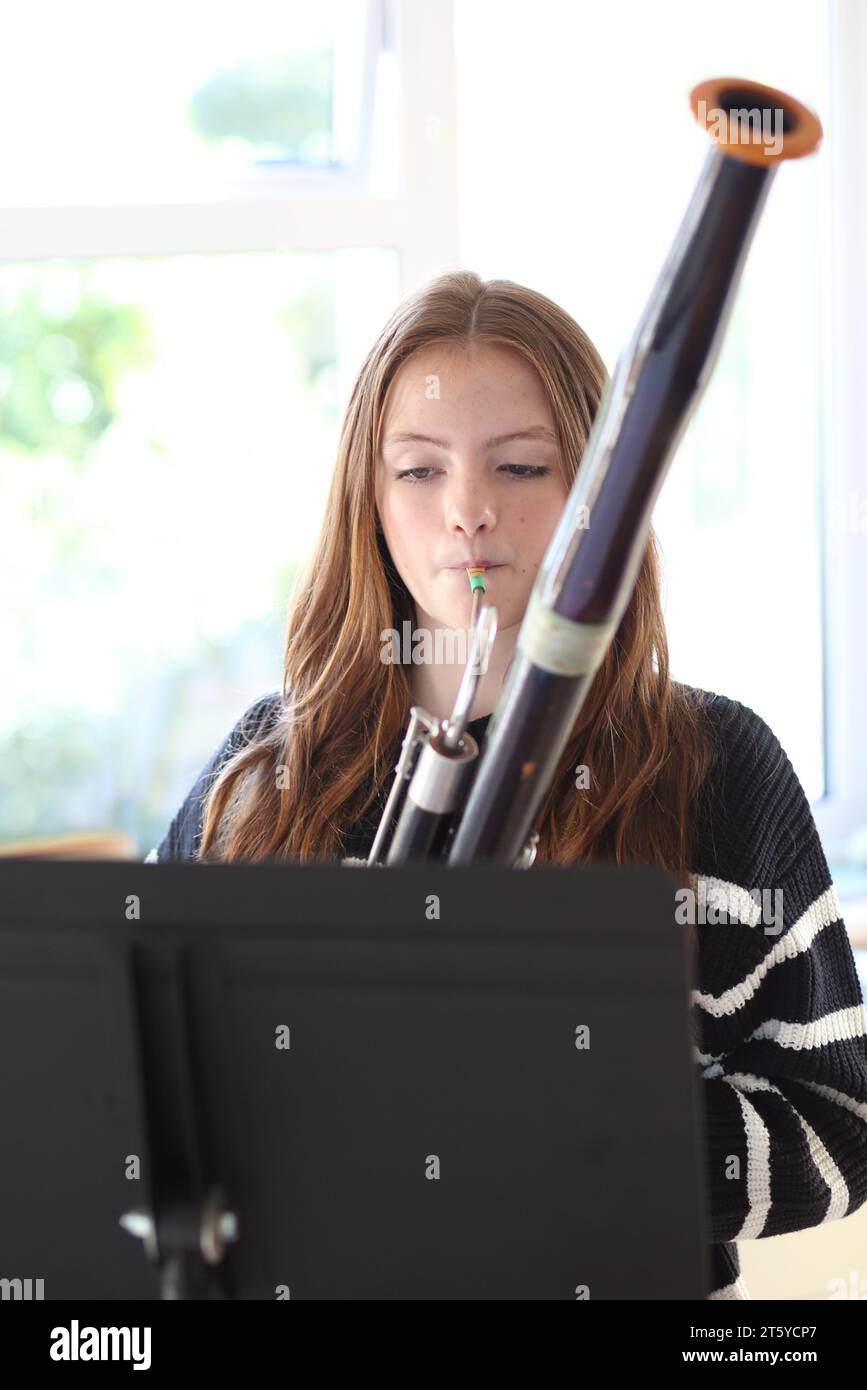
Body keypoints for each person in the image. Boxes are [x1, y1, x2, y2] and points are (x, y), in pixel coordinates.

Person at [147, 270, 867, 1300]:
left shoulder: (718, 763)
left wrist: (570, 1112)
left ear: (598, 494)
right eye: (419, 471)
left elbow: (843, 1128)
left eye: (523, 467)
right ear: (369, 498)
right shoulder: (262, 774)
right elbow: (149, 1081)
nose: (470, 512)